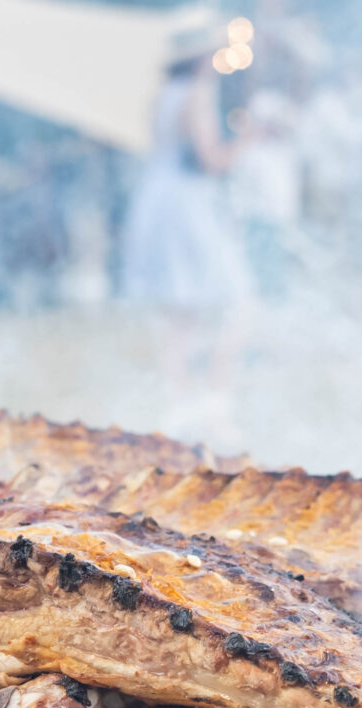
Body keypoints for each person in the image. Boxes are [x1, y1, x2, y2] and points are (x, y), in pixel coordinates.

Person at [122, 23, 256, 440]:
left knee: (180, 315)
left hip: (158, 200)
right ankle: (217, 404)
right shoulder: (199, 93)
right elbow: (211, 159)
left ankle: (180, 406)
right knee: (240, 304)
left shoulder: (161, 95)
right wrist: (247, 140)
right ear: (201, 58)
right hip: (189, 207)